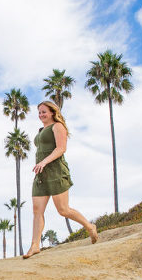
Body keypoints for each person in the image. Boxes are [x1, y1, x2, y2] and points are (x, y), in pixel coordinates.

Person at [23, 101, 98, 259]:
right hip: (41, 174)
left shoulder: (57, 126)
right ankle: (35, 245)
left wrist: (44, 161)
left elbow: (61, 148)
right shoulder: (41, 130)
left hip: (56, 171)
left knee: (63, 210)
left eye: (44, 112)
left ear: (52, 112)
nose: (41, 115)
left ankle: (90, 227)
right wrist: (41, 165)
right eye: (39, 112)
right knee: (37, 210)